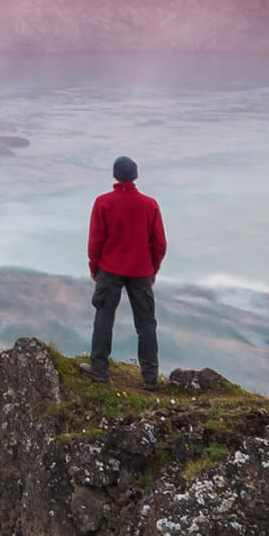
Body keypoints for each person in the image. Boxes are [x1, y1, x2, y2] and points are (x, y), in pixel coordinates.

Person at [81, 156, 167, 390]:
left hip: (110, 268)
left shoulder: (103, 203)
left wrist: (94, 267)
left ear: (115, 176)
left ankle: (99, 369)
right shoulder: (150, 205)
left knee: (104, 318)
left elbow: (95, 241)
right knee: (146, 323)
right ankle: (150, 378)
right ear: (135, 176)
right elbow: (159, 243)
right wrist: (153, 269)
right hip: (141, 271)